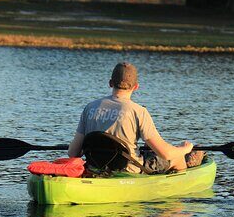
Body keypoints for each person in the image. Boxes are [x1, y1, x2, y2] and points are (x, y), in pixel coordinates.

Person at [68, 62, 202, 174]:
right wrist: (185, 149)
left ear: (110, 83)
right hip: (129, 169)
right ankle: (176, 200)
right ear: (136, 86)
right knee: (177, 157)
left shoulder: (90, 107)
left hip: (96, 166)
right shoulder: (138, 111)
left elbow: (73, 152)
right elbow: (165, 154)